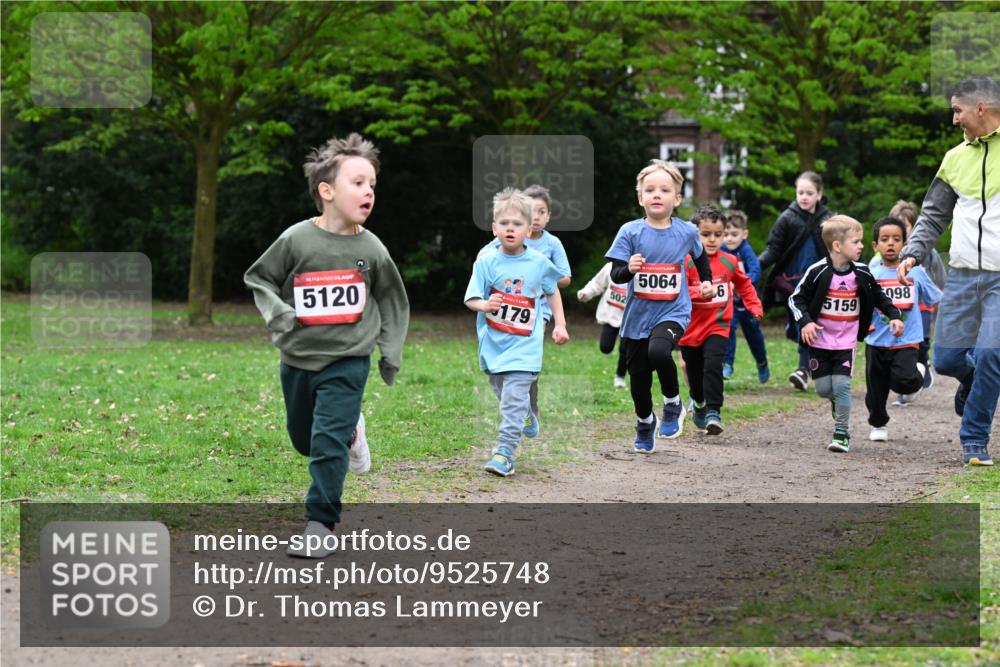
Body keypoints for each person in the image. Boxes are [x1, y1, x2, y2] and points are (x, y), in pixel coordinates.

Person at [244, 133, 409, 557]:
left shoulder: (371, 248)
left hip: (349, 359)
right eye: (358, 182)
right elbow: (258, 277)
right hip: (298, 358)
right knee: (304, 439)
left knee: (326, 444)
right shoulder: (297, 240)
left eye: (373, 184)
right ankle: (354, 429)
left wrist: (390, 351)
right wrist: (279, 313)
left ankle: (320, 524)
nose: (368, 191)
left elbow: (392, 299)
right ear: (327, 190)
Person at [898, 76, 1000, 467]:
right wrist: (913, 252)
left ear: (980, 108)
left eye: (957, 110)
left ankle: (974, 438)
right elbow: (933, 214)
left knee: (992, 353)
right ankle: (974, 384)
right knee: (948, 360)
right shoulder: (955, 158)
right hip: (961, 276)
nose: (954, 119)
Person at [605, 159, 714, 452]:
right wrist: (629, 268)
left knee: (659, 350)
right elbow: (615, 274)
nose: (656, 194)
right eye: (649, 189)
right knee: (639, 382)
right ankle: (644, 422)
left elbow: (701, 257)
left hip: (673, 311)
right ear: (640, 197)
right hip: (637, 317)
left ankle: (672, 403)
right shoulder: (629, 232)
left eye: (664, 190)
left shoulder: (687, 232)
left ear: (676, 199)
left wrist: (705, 280)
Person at [465, 187, 569, 477]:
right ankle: (525, 412)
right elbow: (471, 298)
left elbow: (552, 291)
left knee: (512, 397)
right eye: (505, 224)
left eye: (518, 224)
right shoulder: (485, 261)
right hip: (493, 343)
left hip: (526, 345)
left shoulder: (538, 263)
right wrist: (485, 304)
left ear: (529, 228)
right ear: (494, 227)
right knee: (502, 391)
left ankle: (505, 453)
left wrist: (559, 324)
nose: (511, 229)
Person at [789, 215, 903, 453]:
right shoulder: (817, 271)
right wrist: (807, 323)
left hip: (845, 342)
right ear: (837, 246)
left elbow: (880, 296)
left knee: (842, 386)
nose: (862, 246)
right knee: (823, 389)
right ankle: (835, 402)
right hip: (819, 341)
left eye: (861, 241)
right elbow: (796, 299)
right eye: (856, 241)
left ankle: (841, 432)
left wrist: (893, 315)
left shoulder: (862, 272)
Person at [679, 206, 763, 434]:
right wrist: (699, 293)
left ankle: (714, 411)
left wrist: (754, 306)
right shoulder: (685, 261)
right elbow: (679, 291)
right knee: (694, 372)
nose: (712, 240)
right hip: (689, 328)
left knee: (714, 365)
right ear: (693, 235)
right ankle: (698, 403)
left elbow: (744, 284)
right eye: (705, 235)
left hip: (718, 324)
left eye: (718, 234)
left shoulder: (729, 261)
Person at [864, 217, 942, 441]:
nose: (890, 244)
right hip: (877, 340)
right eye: (885, 239)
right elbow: (864, 305)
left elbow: (935, 297)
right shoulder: (872, 275)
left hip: (907, 340)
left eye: (896, 239)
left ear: (905, 244)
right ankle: (878, 424)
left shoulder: (915, 272)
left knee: (903, 381)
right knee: (875, 389)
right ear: (875, 246)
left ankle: (918, 375)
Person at [759, 171, 833, 391]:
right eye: (800, 192)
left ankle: (803, 369)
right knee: (798, 326)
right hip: (791, 282)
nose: (804, 197)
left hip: (818, 281)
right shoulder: (787, 218)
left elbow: (841, 246)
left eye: (809, 193)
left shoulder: (828, 219)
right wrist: (753, 266)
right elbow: (773, 249)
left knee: (807, 322)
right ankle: (797, 340)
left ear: (819, 194)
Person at [877, 200, 947, 404]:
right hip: (893, 311)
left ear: (915, 227)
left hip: (921, 306)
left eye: (905, 225)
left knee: (920, 344)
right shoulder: (884, 254)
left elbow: (940, 277)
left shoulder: (927, 252)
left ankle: (922, 365)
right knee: (899, 346)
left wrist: (943, 297)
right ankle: (903, 390)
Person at [721, 210, 770, 383]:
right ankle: (727, 363)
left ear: (744, 234)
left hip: (747, 301)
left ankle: (762, 362)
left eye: (734, 234)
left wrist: (741, 283)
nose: (730, 239)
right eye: (725, 234)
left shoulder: (746, 251)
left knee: (753, 334)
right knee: (728, 328)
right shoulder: (720, 250)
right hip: (729, 301)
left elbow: (756, 271)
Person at [577, 262, 629, 388]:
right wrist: (586, 293)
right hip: (610, 315)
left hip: (630, 318)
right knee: (605, 347)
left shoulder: (641, 270)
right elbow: (597, 283)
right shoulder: (610, 267)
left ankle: (620, 376)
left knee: (625, 349)